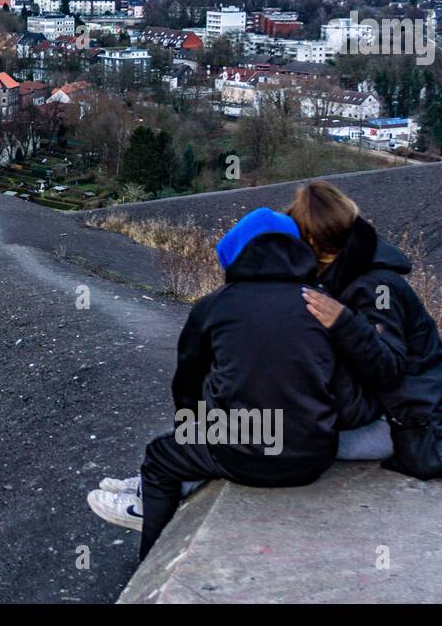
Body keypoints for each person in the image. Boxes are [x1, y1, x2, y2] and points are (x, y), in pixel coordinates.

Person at [87, 208, 349, 560]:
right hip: (315, 455)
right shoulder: (325, 305)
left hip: (244, 453)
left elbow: (186, 389)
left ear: (236, 254)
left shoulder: (215, 306)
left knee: (160, 456)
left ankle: (151, 555)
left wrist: (203, 426)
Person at [291, 181, 442, 481]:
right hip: (390, 414)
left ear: (310, 239)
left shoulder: (376, 286)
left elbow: (390, 367)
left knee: (284, 440)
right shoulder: (350, 272)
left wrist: (344, 322)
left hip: (400, 427)